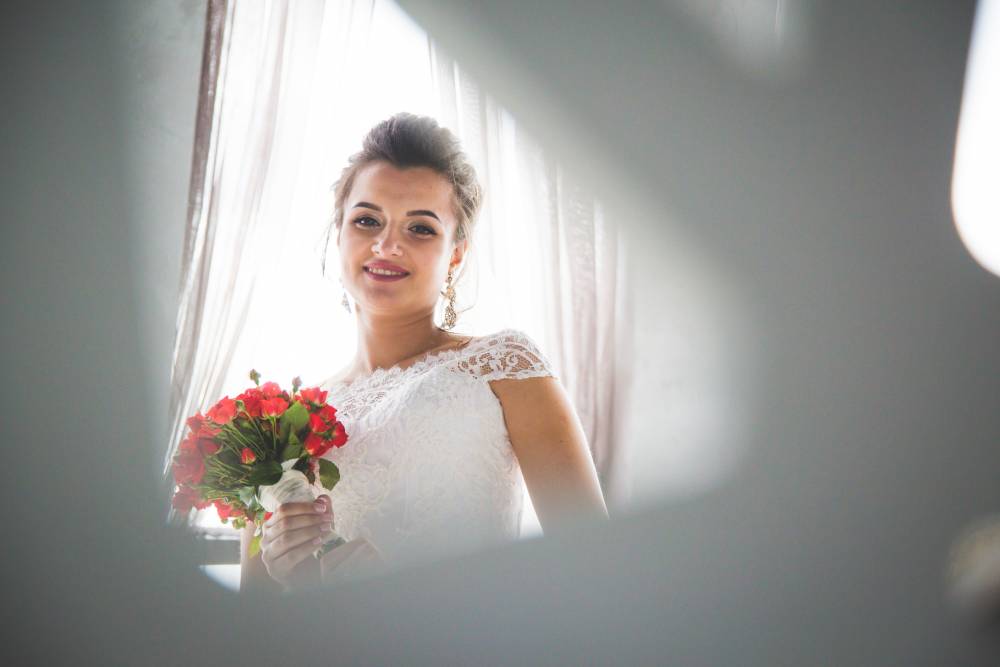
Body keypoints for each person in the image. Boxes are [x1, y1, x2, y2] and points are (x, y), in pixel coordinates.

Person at [240, 112, 608, 593]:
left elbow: (594, 567)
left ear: (456, 253)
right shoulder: (280, 425)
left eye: (420, 228)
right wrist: (290, 574)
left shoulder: (504, 365)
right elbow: (251, 619)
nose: (386, 245)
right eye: (367, 220)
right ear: (339, 231)